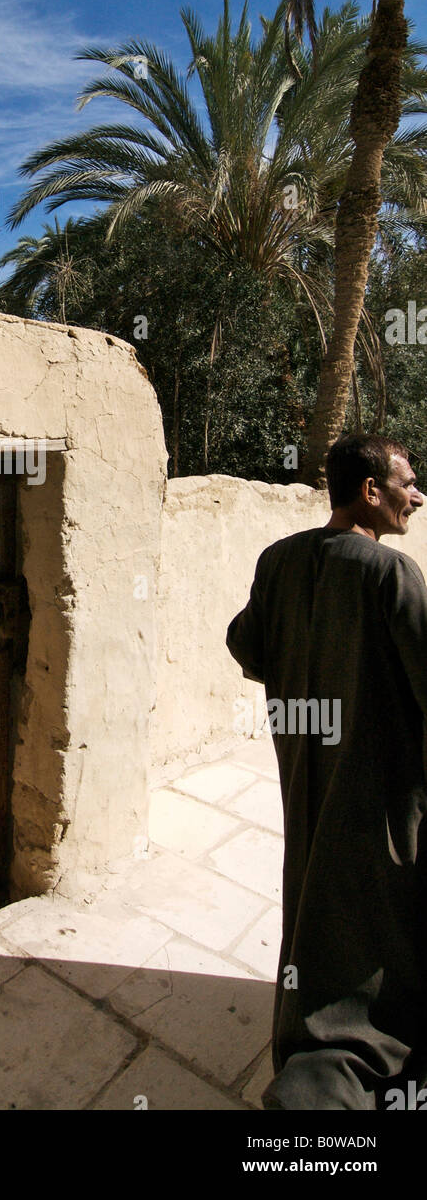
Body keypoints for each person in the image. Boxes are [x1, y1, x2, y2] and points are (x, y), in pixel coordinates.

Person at [226, 434, 427, 1110]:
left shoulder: (278, 561)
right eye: (409, 482)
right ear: (372, 492)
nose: (418, 496)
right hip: (384, 805)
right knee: (381, 945)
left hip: (303, 785)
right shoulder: (391, 574)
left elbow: (244, 643)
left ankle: (305, 1049)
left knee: (312, 916)